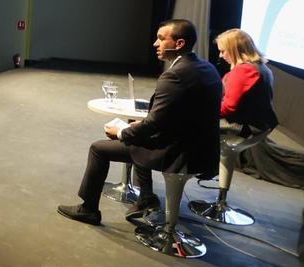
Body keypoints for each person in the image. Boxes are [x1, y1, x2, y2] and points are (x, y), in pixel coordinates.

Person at [57, 19, 222, 225]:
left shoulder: (174, 75)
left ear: (179, 44)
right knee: (138, 136)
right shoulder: (207, 68)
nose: (155, 43)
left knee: (99, 148)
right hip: (202, 149)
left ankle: (88, 209)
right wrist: (137, 127)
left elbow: (153, 125)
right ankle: (145, 198)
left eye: (161, 39)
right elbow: (182, 114)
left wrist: (121, 132)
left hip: (178, 153)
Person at [214, 29, 279, 135]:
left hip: (247, 126)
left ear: (235, 50)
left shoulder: (244, 70)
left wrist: (204, 109)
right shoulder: (261, 66)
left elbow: (227, 108)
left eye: (223, 51)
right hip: (263, 123)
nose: (221, 56)